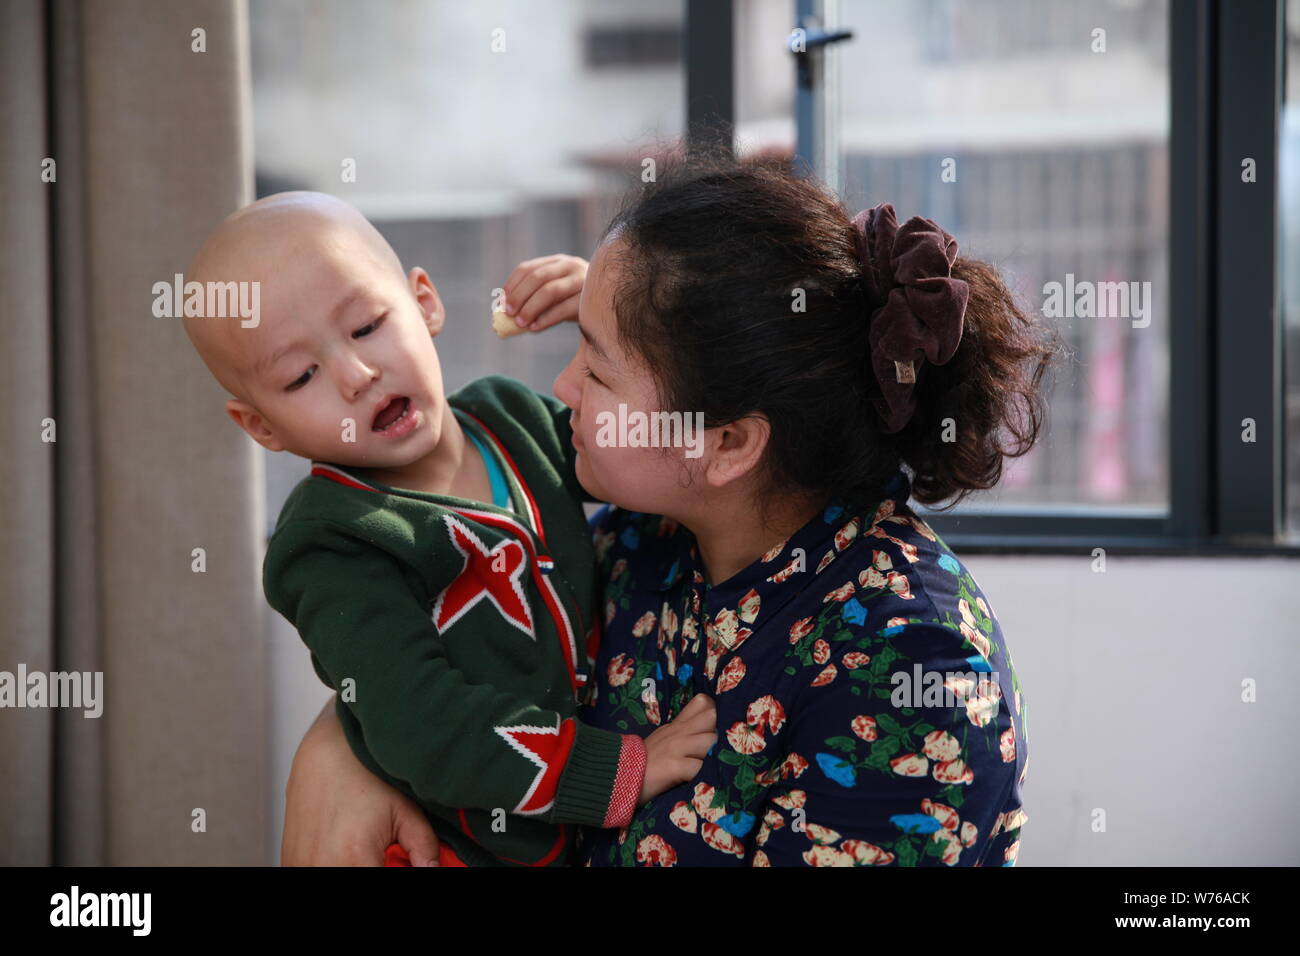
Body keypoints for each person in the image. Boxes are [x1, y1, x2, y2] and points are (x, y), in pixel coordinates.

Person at [282, 152, 1060, 866]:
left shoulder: (910, 672)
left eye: (597, 367)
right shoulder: (646, 535)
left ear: (726, 444)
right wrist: (339, 750)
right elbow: (459, 664)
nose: (561, 391)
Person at [182, 191, 717, 867]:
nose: (357, 375)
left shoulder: (511, 418)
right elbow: (421, 724)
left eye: (368, 326)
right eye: (302, 375)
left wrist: (613, 318)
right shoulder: (332, 542)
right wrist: (618, 769)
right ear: (261, 426)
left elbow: (637, 449)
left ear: (425, 303)